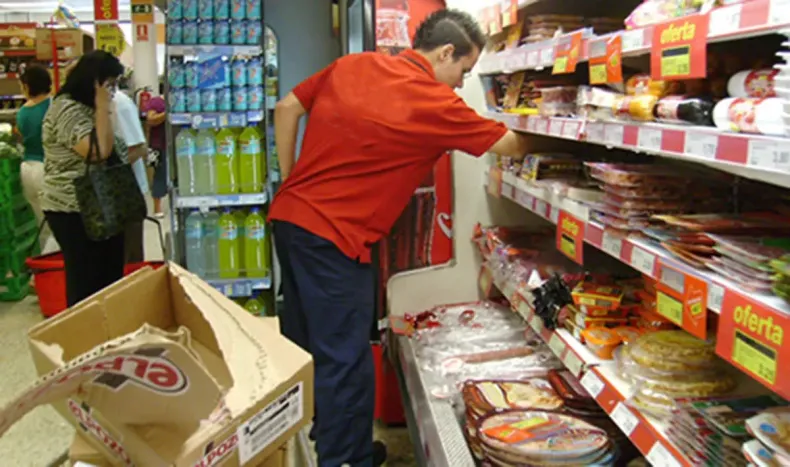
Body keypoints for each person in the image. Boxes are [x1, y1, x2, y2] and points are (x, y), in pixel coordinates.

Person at [268, 9, 529, 467]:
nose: (461, 85)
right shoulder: (434, 101)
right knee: (345, 358)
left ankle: (335, 442)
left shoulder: (354, 64)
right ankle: (345, 460)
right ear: (445, 53)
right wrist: (572, 135)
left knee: (313, 345)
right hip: (336, 240)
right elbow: (510, 144)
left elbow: (287, 108)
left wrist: (290, 181)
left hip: (290, 222)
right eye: (464, 71)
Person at [40, 50, 127, 306]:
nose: (112, 91)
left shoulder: (88, 109)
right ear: (93, 82)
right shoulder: (67, 109)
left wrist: (104, 109)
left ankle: (108, 328)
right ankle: (85, 329)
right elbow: (98, 152)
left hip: (99, 204)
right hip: (72, 208)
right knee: (86, 282)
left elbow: (112, 148)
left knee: (109, 278)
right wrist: (103, 107)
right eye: (109, 84)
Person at [16, 64, 53, 250]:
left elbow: (20, 135)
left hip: (27, 169)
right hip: (47, 168)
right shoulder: (52, 106)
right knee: (56, 224)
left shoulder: (23, 111)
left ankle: (43, 259)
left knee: (40, 223)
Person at [113, 88, 149, 264]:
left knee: (129, 258)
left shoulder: (119, 103)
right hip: (107, 196)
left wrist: (108, 171)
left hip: (126, 193)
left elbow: (139, 148)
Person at [142, 86, 167, 218]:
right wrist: (167, 112)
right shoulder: (157, 102)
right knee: (160, 175)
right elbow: (151, 119)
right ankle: (157, 207)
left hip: (176, 144)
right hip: (159, 145)